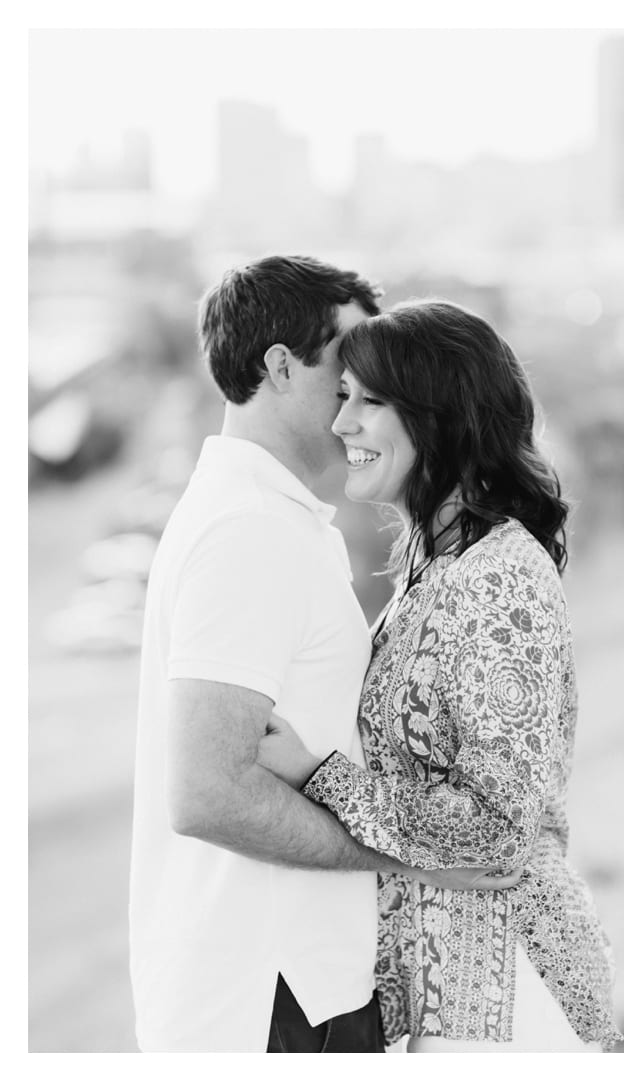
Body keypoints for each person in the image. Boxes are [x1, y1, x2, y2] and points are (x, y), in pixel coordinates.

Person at [130, 256, 514, 1053]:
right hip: (274, 995)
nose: (362, 389)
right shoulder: (249, 531)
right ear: (279, 366)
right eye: (346, 364)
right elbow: (206, 790)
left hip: (302, 981)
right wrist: (407, 851)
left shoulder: (274, 519)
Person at [257, 299, 623, 1051]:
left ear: (440, 416)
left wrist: (318, 775)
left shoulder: (499, 578)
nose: (342, 422)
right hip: (442, 1001)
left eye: (371, 400)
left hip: (508, 992)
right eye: (343, 394)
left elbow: (499, 827)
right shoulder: (432, 572)